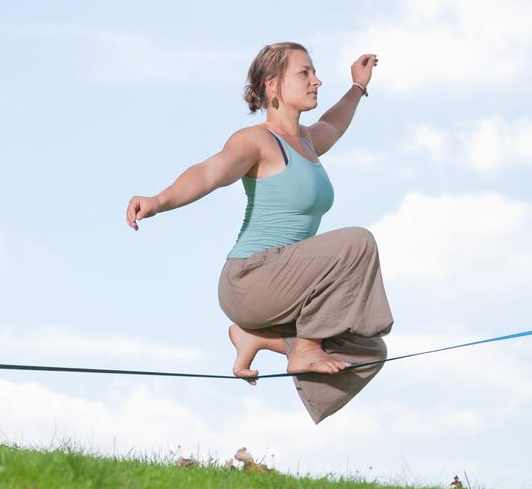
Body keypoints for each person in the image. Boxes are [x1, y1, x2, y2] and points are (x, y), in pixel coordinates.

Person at [125, 42, 394, 423]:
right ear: (272, 85)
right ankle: (304, 347)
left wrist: (358, 87)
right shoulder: (257, 141)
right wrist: (158, 200)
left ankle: (261, 339)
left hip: (289, 287)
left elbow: (334, 124)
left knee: (367, 350)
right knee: (357, 242)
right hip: (251, 278)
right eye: (305, 73)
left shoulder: (308, 142)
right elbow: (209, 172)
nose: (317, 81)